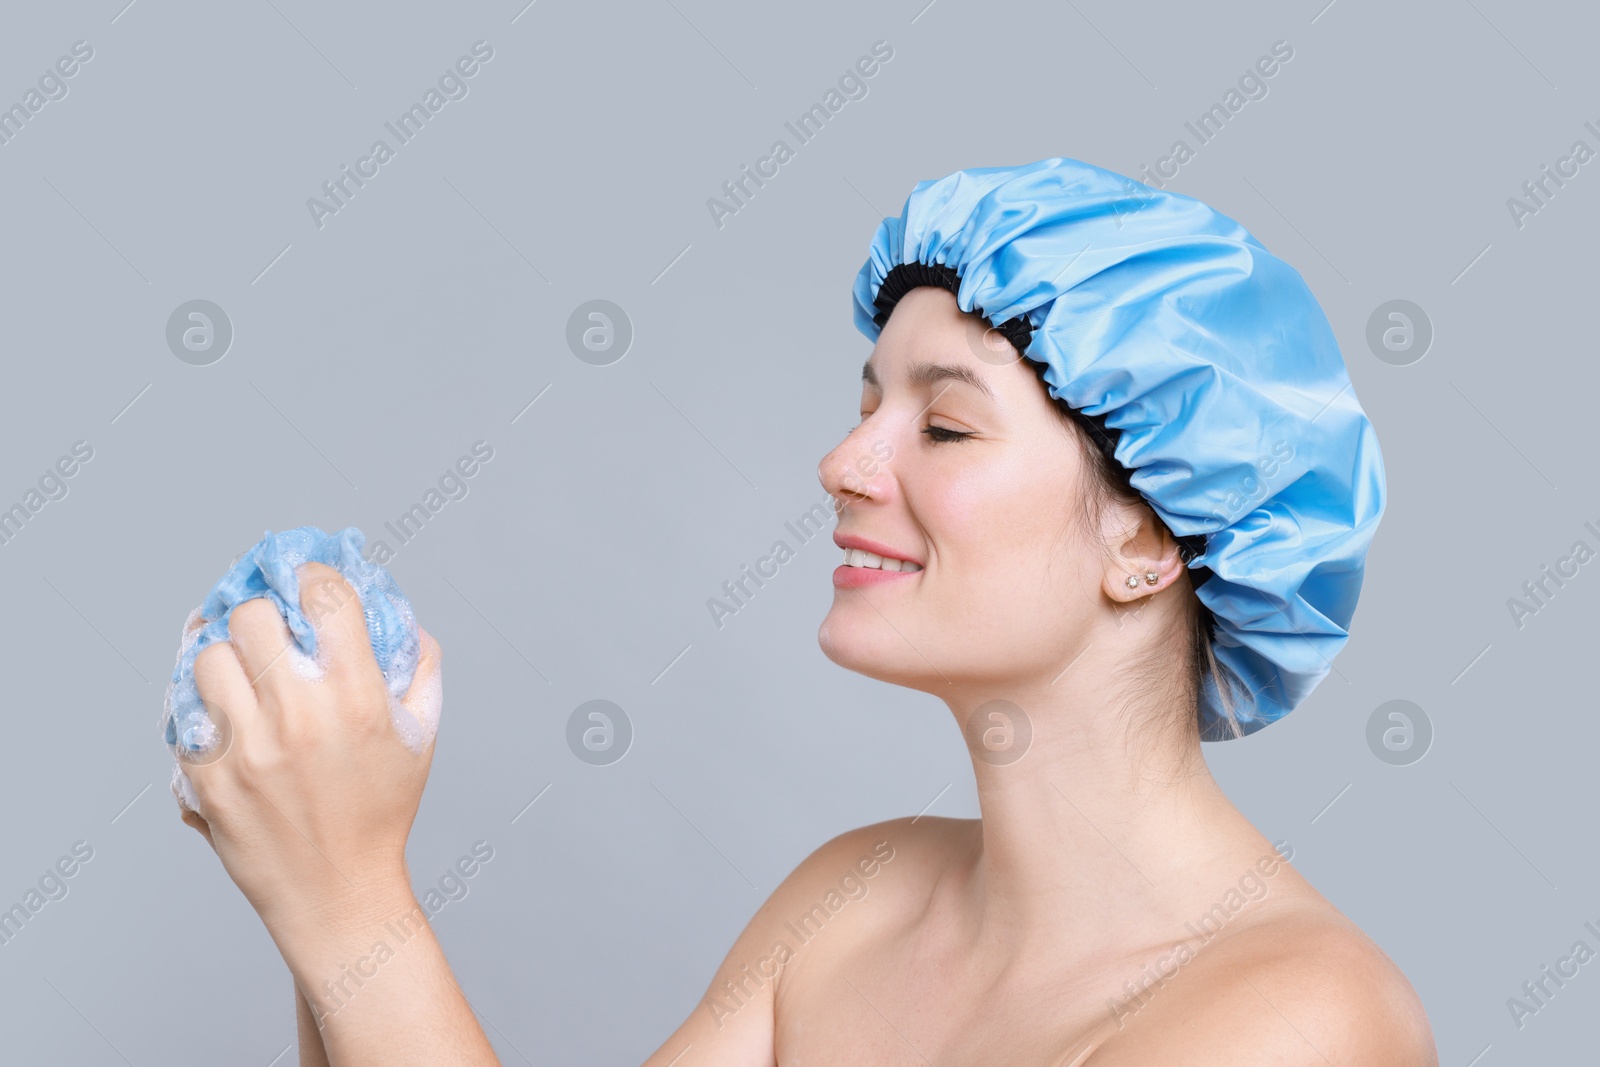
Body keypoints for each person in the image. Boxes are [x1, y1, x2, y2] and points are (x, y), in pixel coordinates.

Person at [177, 158, 1438, 1065]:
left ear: (1152, 535)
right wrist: (313, 856)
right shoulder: (857, 894)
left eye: (941, 423)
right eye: (867, 403)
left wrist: (352, 901)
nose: (846, 462)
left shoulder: (1298, 1020)